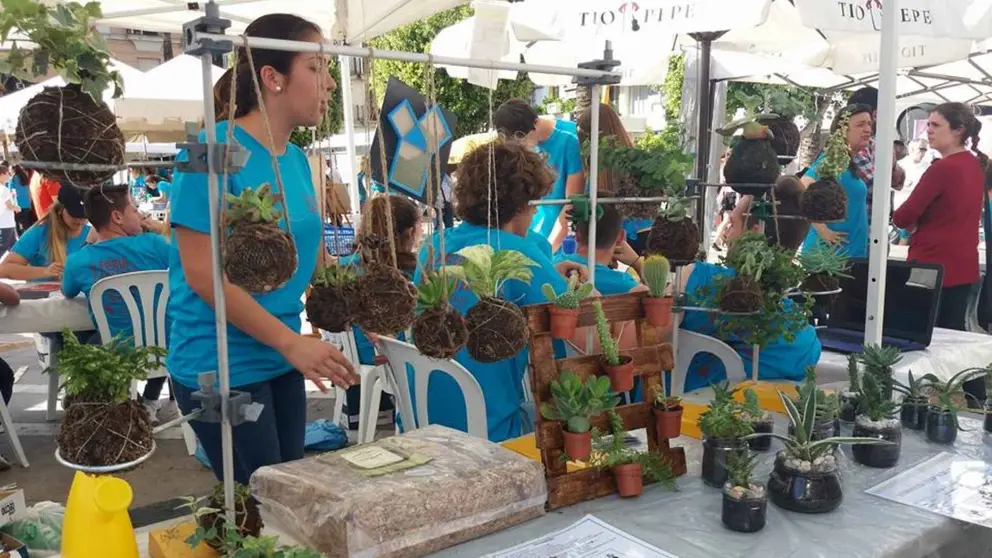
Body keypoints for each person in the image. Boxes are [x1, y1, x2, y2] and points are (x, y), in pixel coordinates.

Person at [168, 13, 357, 484]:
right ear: (272, 77)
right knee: (260, 504)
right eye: (316, 69)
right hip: (220, 366)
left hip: (281, 357)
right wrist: (291, 342)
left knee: (286, 495)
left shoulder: (295, 159)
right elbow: (201, 274)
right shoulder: (203, 150)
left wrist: (354, 299)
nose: (329, 84)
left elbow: (311, 259)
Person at [416, 138, 586, 442]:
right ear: (520, 206)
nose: (534, 215)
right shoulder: (520, 252)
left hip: (423, 424)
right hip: (490, 431)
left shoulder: (432, 247)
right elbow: (575, 327)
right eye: (533, 206)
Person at [676, 177, 820, 391]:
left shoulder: (696, 280)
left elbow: (644, 342)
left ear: (755, 232)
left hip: (676, 412)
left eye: (733, 223)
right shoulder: (805, 342)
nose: (726, 233)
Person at [61, 187, 177, 423]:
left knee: (84, 341)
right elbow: (184, 267)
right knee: (157, 328)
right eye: (135, 209)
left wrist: (88, 244)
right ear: (117, 217)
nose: (141, 216)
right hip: (166, 346)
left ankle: (108, 402)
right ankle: (150, 401)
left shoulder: (78, 261)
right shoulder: (155, 244)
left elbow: (67, 292)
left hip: (114, 354)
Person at [893, 102, 989, 331]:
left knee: (921, 338)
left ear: (958, 130)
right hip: (964, 266)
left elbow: (902, 217)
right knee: (952, 339)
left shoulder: (942, 169)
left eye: (936, 125)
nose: (929, 130)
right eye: (928, 124)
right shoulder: (975, 165)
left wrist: (917, 222)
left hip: (932, 266)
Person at [335, 193, 420, 430]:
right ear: (411, 232)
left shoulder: (344, 268)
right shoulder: (411, 277)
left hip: (357, 357)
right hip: (394, 362)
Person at [494, 99, 583, 253]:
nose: (520, 146)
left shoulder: (570, 140)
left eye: (522, 139)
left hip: (558, 239)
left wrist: (549, 249)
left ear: (536, 123)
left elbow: (572, 204)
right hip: (527, 234)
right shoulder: (515, 148)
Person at [800, 104, 873, 258]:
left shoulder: (846, 161)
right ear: (842, 130)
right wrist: (821, 229)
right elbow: (802, 185)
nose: (868, 129)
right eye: (860, 125)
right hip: (829, 256)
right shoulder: (833, 158)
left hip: (847, 254)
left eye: (869, 124)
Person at [0, 185, 91, 281]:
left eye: (85, 216)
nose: (80, 220)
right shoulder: (39, 233)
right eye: (75, 215)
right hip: (43, 294)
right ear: (60, 209)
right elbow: (4, 269)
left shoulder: (92, 233)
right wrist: (45, 271)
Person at [555, 203, 645, 296]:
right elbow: (657, 295)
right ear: (621, 237)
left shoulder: (555, 263)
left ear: (577, 234)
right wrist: (637, 263)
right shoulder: (625, 284)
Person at [8, 166, 34, 235]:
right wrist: (30, 203)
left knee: (18, 225)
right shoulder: (25, 178)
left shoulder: (13, 179)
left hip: (17, 205)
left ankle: (21, 238)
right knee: (27, 224)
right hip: (27, 204)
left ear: (13, 170)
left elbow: (11, 193)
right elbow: (29, 192)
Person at [0, 165, 16, 254]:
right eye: (7, 174)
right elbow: (9, 206)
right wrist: (17, 208)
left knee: (14, 247)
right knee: (3, 248)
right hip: (5, 223)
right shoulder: (4, 189)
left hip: (6, 223)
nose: (9, 176)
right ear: (2, 174)